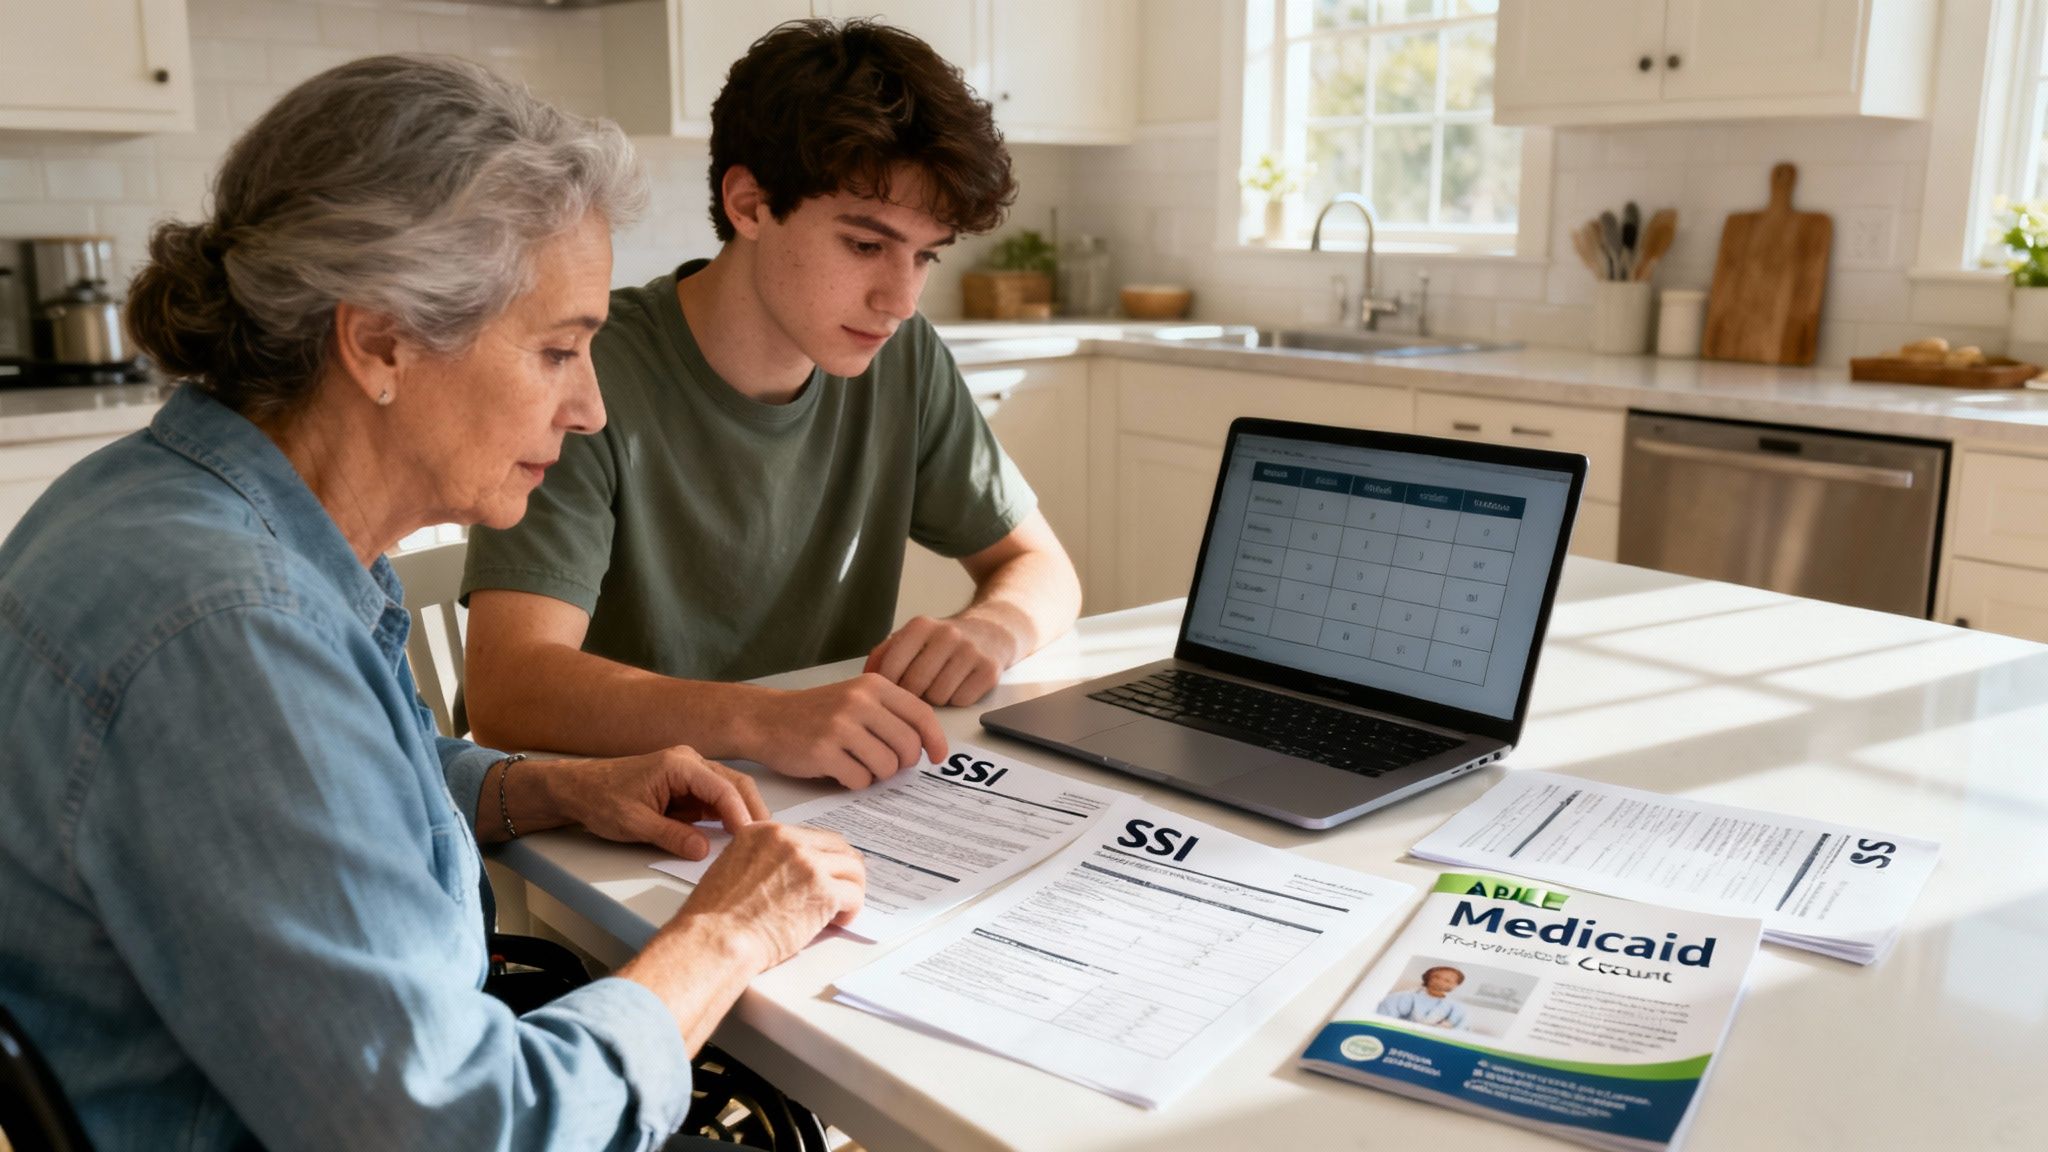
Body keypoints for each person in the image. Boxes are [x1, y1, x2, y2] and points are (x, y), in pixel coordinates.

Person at [0, 55, 863, 1151]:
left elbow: (319, 791)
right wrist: (728, 935)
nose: (591, 407)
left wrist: (553, 787)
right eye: (557, 350)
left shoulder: (174, 502)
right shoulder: (232, 633)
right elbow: (465, 1129)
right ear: (379, 342)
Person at [460, 19, 1083, 789]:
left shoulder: (905, 358)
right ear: (749, 204)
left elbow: (1042, 567)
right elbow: (508, 690)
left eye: (925, 255)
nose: (900, 298)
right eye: (865, 245)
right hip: (609, 826)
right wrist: (763, 720)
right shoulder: (590, 368)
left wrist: (992, 630)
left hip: (823, 801)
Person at [1376, 965, 1469, 1029]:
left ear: (1455, 985)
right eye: (1436, 977)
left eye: (1447, 980)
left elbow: (1460, 1032)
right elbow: (1381, 1020)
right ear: (1427, 978)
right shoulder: (1401, 997)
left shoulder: (1458, 1009)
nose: (1440, 982)